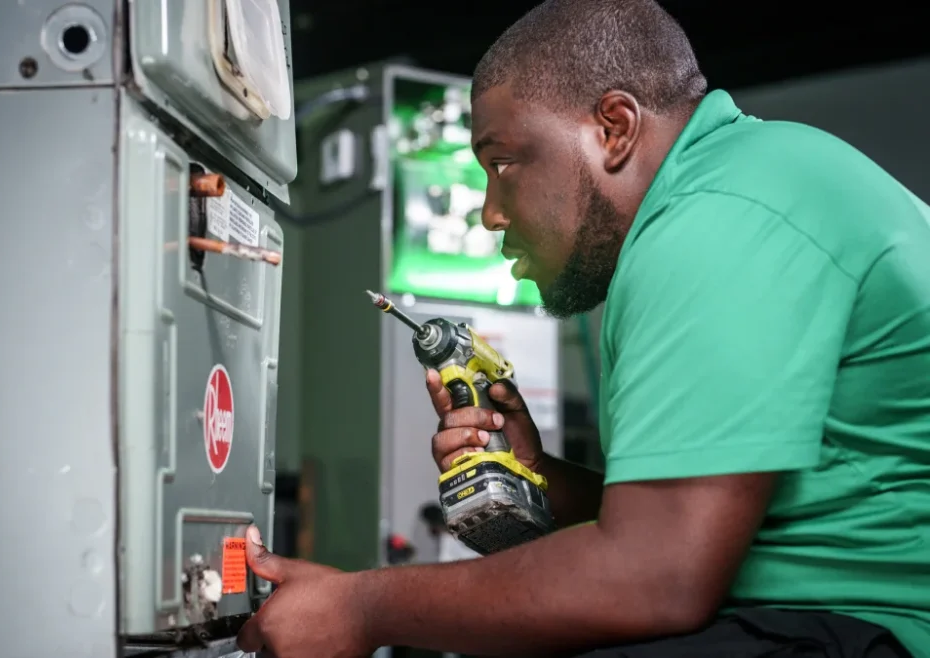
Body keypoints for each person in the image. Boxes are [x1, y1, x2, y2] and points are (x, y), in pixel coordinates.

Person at [236, 0, 930, 656]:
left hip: (869, 629)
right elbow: (714, 529)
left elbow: (655, 577)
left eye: (503, 163)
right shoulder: (736, 190)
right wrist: (541, 482)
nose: (489, 213)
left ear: (614, 128)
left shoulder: (718, 220)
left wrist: (360, 610)